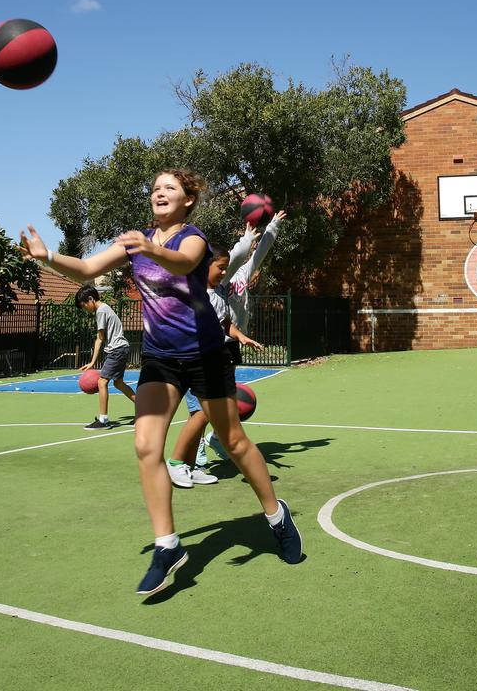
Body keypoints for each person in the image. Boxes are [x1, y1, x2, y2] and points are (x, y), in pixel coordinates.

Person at [19, 168, 303, 597]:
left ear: (188, 199)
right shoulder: (134, 241)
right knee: (145, 446)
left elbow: (185, 262)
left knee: (236, 443)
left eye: (169, 187)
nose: (159, 192)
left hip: (205, 356)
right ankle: (167, 545)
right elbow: (88, 268)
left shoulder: (193, 238)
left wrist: (150, 247)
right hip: (160, 359)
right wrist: (48, 258)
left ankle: (276, 516)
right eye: (154, 188)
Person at [166, 243, 264, 486]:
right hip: (193, 360)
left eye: (225, 268)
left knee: (202, 416)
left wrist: (241, 337)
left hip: (212, 358)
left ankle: (190, 466)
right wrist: (248, 237)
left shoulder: (218, 293)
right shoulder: (197, 292)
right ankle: (177, 462)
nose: (224, 272)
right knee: (199, 413)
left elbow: (224, 323)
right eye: (220, 267)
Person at [205, 210, 286, 459]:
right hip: (215, 341)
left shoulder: (243, 274)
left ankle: (217, 437)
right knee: (206, 400)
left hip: (232, 340)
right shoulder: (222, 277)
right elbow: (240, 253)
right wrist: (247, 237)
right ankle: (198, 448)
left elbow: (259, 253)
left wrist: (272, 227)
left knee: (226, 397)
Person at [75, 284, 135, 430]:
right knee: (118, 383)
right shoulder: (106, 308)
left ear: (90, 299)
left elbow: (99, 338)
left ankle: (103, 420)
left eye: (84, 305)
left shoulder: (101, 311)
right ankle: (145, 409)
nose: (85, 309)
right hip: (121, 348)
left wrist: (92, 362)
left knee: (102, 382)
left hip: (117, 350)